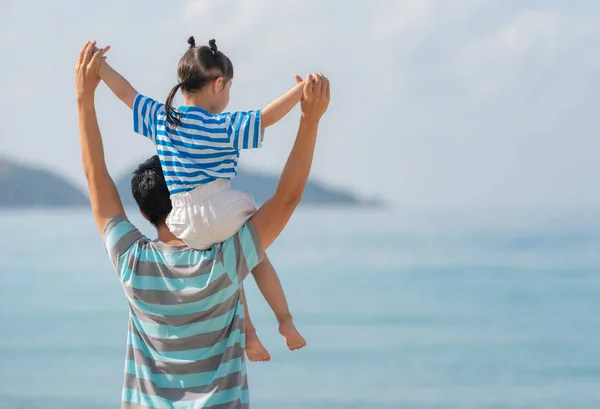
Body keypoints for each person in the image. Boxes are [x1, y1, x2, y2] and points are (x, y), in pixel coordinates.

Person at [75, 41, 329, 408]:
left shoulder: (131, 263)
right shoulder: (225, 259)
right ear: (219, 83)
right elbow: (287, 198)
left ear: (145, 213)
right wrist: (309, 119)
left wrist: (85, 98)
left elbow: (94, 175)